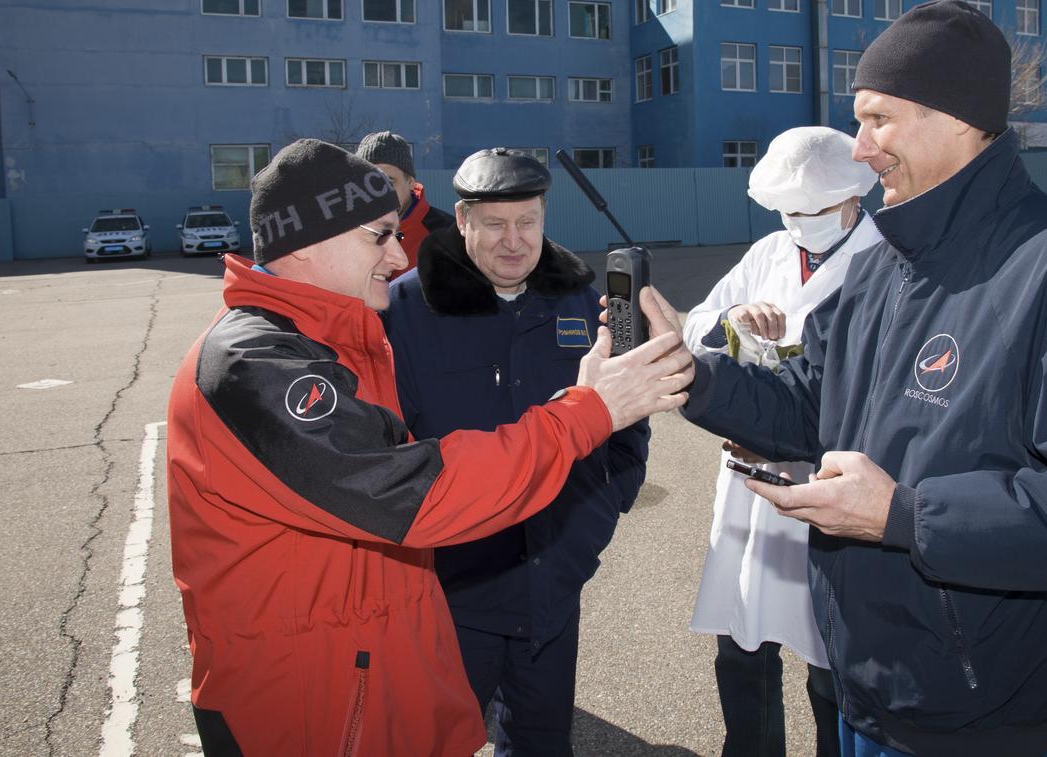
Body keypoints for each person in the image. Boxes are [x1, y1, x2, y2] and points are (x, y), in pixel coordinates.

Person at [654, 0, 1047, 756]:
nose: (859, 147)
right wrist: (696, 377)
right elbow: (810, 400)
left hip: (983, 727)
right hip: (866, 696)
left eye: (878, 118)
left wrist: (906, 515)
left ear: (958, 117)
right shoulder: (882, 266)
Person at [165, 139, 691, 756]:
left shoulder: (334, 337)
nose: (397, 252)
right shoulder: (257, 363)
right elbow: (418, 492)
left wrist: (599, 500)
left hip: (367, 670)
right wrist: (590, 410)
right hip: (302, 706)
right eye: (379, 235)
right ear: (306, 242)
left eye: (529, 221)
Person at [384, 147, 649, 756]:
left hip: (553, 580)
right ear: (463, 220)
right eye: (495, 225)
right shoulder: (404, 308)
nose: (514, 241)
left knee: (542, 743)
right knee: (433, 742)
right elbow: (387, 445)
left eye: (526, 222)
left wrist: (609, 497)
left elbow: (628, 405)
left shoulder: (583, 299)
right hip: (454, 590)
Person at [683, 126, 881, 757]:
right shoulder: (769, 251)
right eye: (789, 211)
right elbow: (695, 328)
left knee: (832, 656)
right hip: (751, 479)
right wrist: (729, 322)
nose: (801, 223)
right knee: (744, 639)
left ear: (854, 196)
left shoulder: (887, 258)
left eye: (815, 210)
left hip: (833, 479)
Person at [356, 130, 453, 265]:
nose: (379, 191)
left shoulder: (445, 235)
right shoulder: (343, 232)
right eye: (370, 182)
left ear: (411, 183)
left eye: (389, 181)